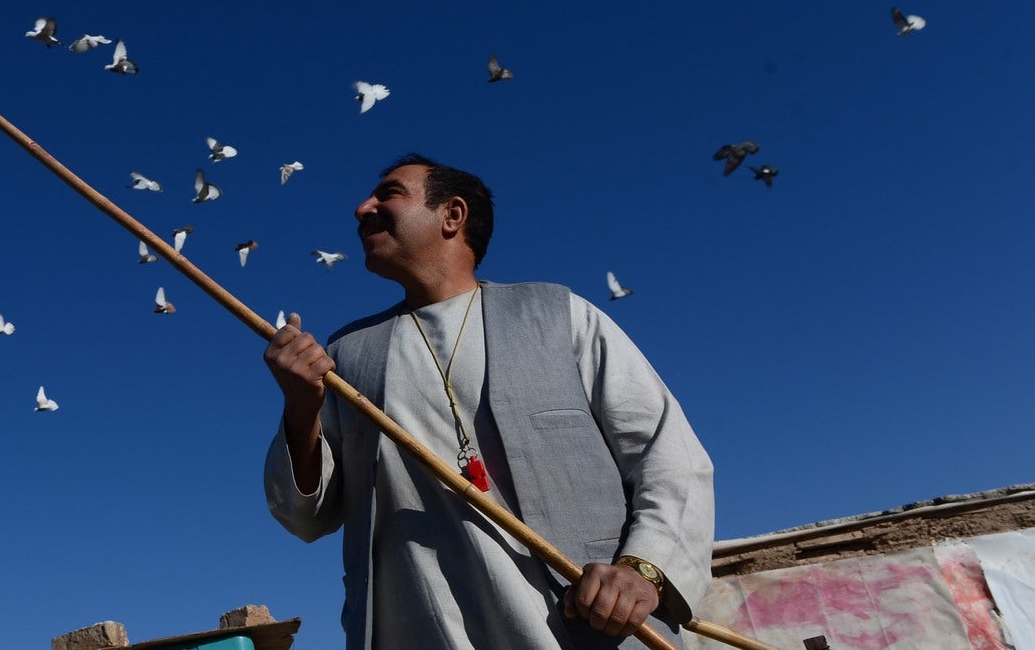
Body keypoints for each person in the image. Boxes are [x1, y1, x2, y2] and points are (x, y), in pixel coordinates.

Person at [263, 154, 714, 650]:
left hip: (590, 633)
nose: (361, 208)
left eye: (389, 193)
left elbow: (669, 456)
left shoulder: (558, 315)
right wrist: (300, 409)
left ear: (452, 216)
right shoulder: (347, 354)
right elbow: (305, 517)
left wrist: (643, 569)